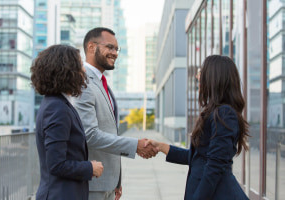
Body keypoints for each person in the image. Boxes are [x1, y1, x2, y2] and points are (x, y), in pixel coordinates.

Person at [146, 55, 250, 200]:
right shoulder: (216, 112)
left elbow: (215, 166)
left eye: (201, 71)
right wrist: (162, 147)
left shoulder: (224, 114)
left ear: (214, 77)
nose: (197, 76)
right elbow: (199, 157)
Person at [72, 27, 157, 200]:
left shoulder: (102, 83)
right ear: (91, 47)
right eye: (109, 47)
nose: (114, 53)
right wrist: (135, 145)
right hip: (92, 185)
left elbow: (110, 132)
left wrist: (117, 180)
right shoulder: (83, 82)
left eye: (116, 49)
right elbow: (90, 135)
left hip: (108, 184)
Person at [31, 44, 104, 200]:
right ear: (66, 71)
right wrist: (90, 168)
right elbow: (56, 164)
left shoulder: (56, 104)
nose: (84, 70)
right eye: (80, 65)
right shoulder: (57, 109)